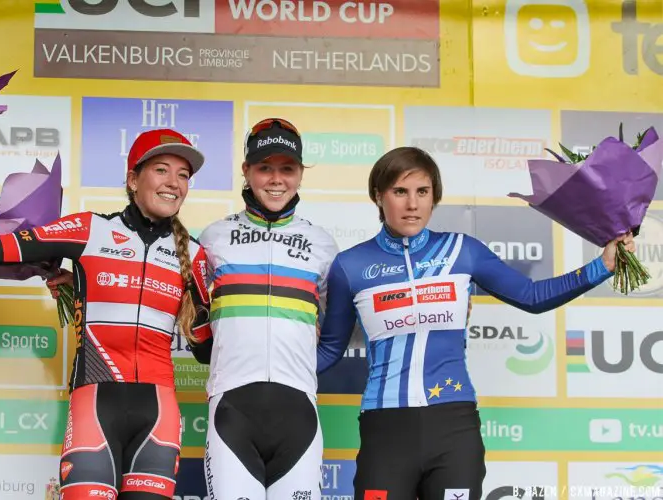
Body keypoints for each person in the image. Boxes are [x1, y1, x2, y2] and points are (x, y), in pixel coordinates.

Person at [316, 146, 636, 500]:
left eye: (422, 192)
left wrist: (601, 266)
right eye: (399, 192)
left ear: (434, 197)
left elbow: (531, 296)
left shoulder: (461, 251)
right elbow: (331, 348)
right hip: (385, 427)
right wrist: (265, 370)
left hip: (453, 425)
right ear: (378, 195)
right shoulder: (351, 265)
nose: (412, 204)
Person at [0, 129, 214, 500]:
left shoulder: (196, 258)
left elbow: (206, 351)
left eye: (183, 175)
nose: (174, 183)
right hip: (94, 408)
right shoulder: (91, 229)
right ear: (133, 179)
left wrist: (213, 320)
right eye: (162, 170)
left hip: (159, 416)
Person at [197, 118, 339, 500]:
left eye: (287, 169)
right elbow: (172, 296)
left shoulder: (322, 244)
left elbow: (343, 324)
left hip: (299, 410)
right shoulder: (213, 237)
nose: (276, 179)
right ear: (246, 171)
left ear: (300, 175)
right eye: (264, 168)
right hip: (231, 407)